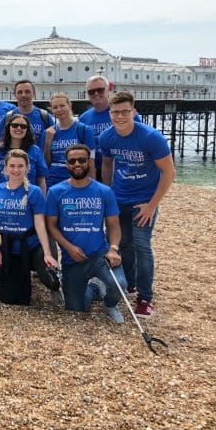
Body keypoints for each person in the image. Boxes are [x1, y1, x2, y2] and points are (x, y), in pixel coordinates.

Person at [100, 92, 175, 318]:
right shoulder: (107, 137)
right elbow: (107, 165)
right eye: (115, 112)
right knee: (123, 244)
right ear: (110, 114)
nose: (120, 116)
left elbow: (169, 172)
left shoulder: (151, 137)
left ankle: (145, 298)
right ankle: (130, 284)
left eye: (125, 112)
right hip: (120, 198)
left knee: (142, 246)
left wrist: (152, 206)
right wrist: (108, 194)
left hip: (144, 201)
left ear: (134, 112)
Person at [46, 144, 126, 323]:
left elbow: (113, 225)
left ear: (89, 162)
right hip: (72, 259)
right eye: (72, 161)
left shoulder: (104, 191)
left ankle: (110, 304)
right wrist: (68, 247)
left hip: (99, 254)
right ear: (66, 164)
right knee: (76, 309)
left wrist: (113, 248)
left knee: (119, 286)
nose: (77, 164)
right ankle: (95, 288)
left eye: (81, 160)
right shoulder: (55, 192)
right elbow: (51, 226)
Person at [0, 149, 58, 305]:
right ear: (5, 168)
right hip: (9, 246)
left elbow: (39, 224)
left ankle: (57, 287)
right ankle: (2, 274)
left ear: (27, 168)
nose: (16, 170)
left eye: (20, 166)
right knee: (10, 299)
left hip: (31, 245)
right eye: (12, 166)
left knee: (49, 277)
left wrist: (47, 253)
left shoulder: (34, 191)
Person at [79, 75, 142, 181]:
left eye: (100, 90)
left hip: (124, 168)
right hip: (95, 168)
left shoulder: (124, 113)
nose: (96, 94)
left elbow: (140, 138)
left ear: (108, 90)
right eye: (91, 91)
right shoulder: (84, 118)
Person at [42, 93, 95, 189]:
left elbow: (91, 161)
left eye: (62, 105)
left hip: (77, 180)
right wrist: (48, 142)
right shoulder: (48, 133)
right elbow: (46, 163)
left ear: (69, 105)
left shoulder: (83, 130)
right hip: (54, 182)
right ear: (51, 110)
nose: (59, 110)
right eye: (55, 107)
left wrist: (93, 187)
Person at [0, 114, 48, 193]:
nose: (19, 128)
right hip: (1, 198)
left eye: (23, 126)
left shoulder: (35, 151)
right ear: (9, 128)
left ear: (27, 130)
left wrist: (41, 201)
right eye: (15, 125)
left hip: (29, 197)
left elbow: (41, 180)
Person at [0, 79, 54, 144]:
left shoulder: (45, 117)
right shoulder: (8, 117)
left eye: (27, 92)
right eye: (20, 92)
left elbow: (55, 139)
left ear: (34, 94)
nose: (23, 95)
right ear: (15, 95)